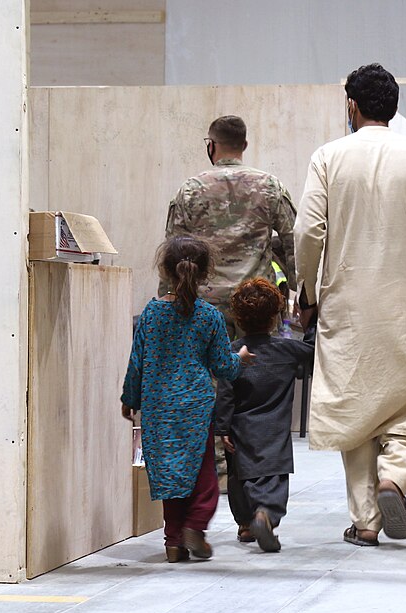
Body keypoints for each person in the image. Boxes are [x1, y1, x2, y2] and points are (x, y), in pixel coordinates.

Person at [295, 63, 406, 547]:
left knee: (357, 406)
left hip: (346, 303)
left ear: (352, 105)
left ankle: (366, 520)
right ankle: (395, 479)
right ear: (394, 106)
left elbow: (308, 232)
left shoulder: (328, 156)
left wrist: (307, 292)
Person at [164, 115, 298, 491]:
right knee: (255, 385)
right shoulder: (270, 187)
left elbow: (173, 250)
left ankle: (215, 469)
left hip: (202, 305)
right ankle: (253, 468)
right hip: (256, 303)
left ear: (212, 145)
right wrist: (302, 295)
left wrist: (168, 299)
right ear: (244, 145)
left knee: (208, 384)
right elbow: (294, 242)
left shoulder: (191, 189)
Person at [121, 236, 255, 563]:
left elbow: (137, 360)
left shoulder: (152, 314)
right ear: (205, 272)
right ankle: (195, 525)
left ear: (165, 269)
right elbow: (223, 366)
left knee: (170, 474)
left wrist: (130, 397)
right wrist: (241, 358)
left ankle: (173, 543)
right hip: (195, 405)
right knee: (202, 474)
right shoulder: (209, 316)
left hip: (157, 405)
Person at [215, 278, 314, 553]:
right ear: (274, 317)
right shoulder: (287, 350)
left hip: (240, 429)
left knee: (239, 479)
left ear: (238, 318)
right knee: (273, 479)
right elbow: (315, 349)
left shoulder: (234, 353)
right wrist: (313, 319)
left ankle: (246, 524)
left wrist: (222, 428)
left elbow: (225, 392)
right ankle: (266, 515)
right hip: (275, 430)